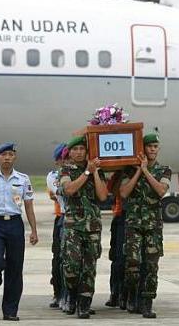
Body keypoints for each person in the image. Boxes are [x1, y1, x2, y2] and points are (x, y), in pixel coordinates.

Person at [0, 142, 38, 321]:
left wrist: (34, 230)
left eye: (10, 154)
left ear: (15, 157)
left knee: (14, 269)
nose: (7, 157)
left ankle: (10, 310)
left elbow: (29, 206)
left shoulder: (23, 179)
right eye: (3, 155)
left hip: (15, 224)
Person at [120, 133, 172, 318]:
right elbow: (124, 193)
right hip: (134, 224)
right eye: (149, 146)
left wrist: (146, 171)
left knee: (151, 266)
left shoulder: (164, 170)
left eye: (155, 146)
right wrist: (138, 171)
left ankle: (147, 303)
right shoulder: (129, 170)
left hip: (153, 226)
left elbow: (160, 191)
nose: (152, 149)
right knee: (132, 264)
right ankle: (132, 296)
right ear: (143, 149)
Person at [59, 136, 108, 318]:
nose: (79, 152)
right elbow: (69, 190)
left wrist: (95, 172)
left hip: (93, 226)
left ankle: (84, 304)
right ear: (70, 152)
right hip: (73, 226)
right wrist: (86, 172)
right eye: (75, 149)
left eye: (82, 149)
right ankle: (71, 294)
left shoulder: (97, 171)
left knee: (89, 267)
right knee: (71, 266)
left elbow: (103, 196)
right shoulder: (65, 170)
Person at [46, 143, 67, 309]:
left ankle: (72, 296)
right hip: (63, 219)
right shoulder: (53, 176)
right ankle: (58, 293)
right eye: (63, 158)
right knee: (59, 259)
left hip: (80, 219)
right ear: (57, 161)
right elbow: (62, 192)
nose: (66, 161)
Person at [105, 171, 127, 309]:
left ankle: (128, 295)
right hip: (121, 217)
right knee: (118, 259)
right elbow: (111, 191)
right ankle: (116, 293)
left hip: (137, 218)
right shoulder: (119, 175)